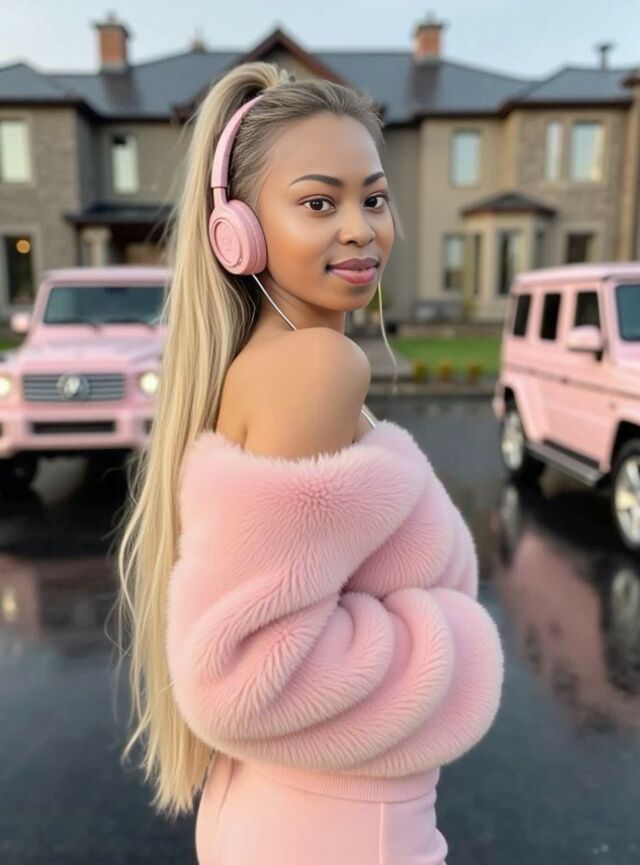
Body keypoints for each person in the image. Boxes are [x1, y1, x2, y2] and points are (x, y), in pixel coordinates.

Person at [113, 60, 504, 864]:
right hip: (343, 831)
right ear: (239, 231)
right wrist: (458, 640)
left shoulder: (265, 362)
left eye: (374, 198)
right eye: (320, 202)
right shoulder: (316, 367)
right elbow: (243, 677)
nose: (360, 228)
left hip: (285, 814)